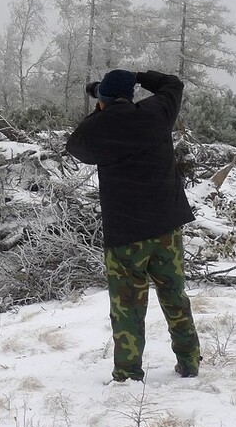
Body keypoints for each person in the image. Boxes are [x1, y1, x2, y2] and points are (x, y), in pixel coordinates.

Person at [65, 69, 201, 382]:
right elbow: (172, 84)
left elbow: (76, 144)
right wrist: (138, 76)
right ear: (131, 94)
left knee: (127, 308)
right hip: (167, 228)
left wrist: (102, 105)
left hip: (126, 236)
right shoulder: (156, 113)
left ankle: (127, 374)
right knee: (175, 297)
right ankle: (189, 362)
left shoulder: (100, 128)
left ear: (102, 102)